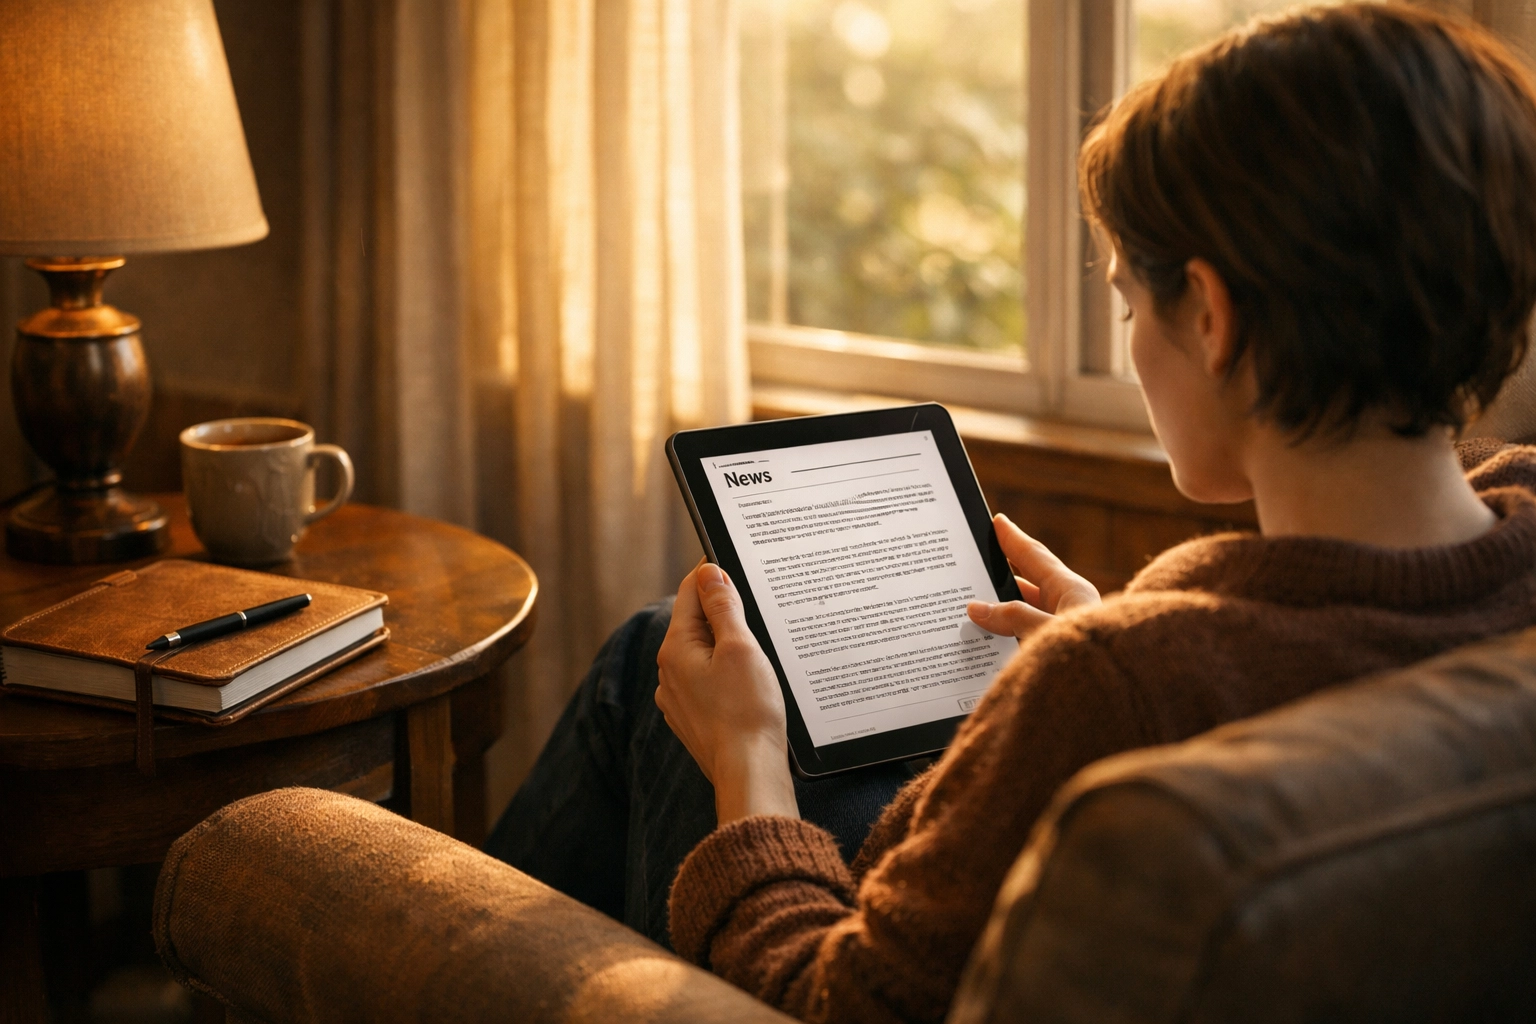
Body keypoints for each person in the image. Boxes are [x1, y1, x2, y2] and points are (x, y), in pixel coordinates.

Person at [486, 5, 1536, 1022]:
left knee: (655, 668)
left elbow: (835, 1003)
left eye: (1130, 303)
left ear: (1212, 318)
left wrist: (749, 757)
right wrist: (1107, 633)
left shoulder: (1107, 688)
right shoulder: (1517, 532)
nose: (1132, 341)